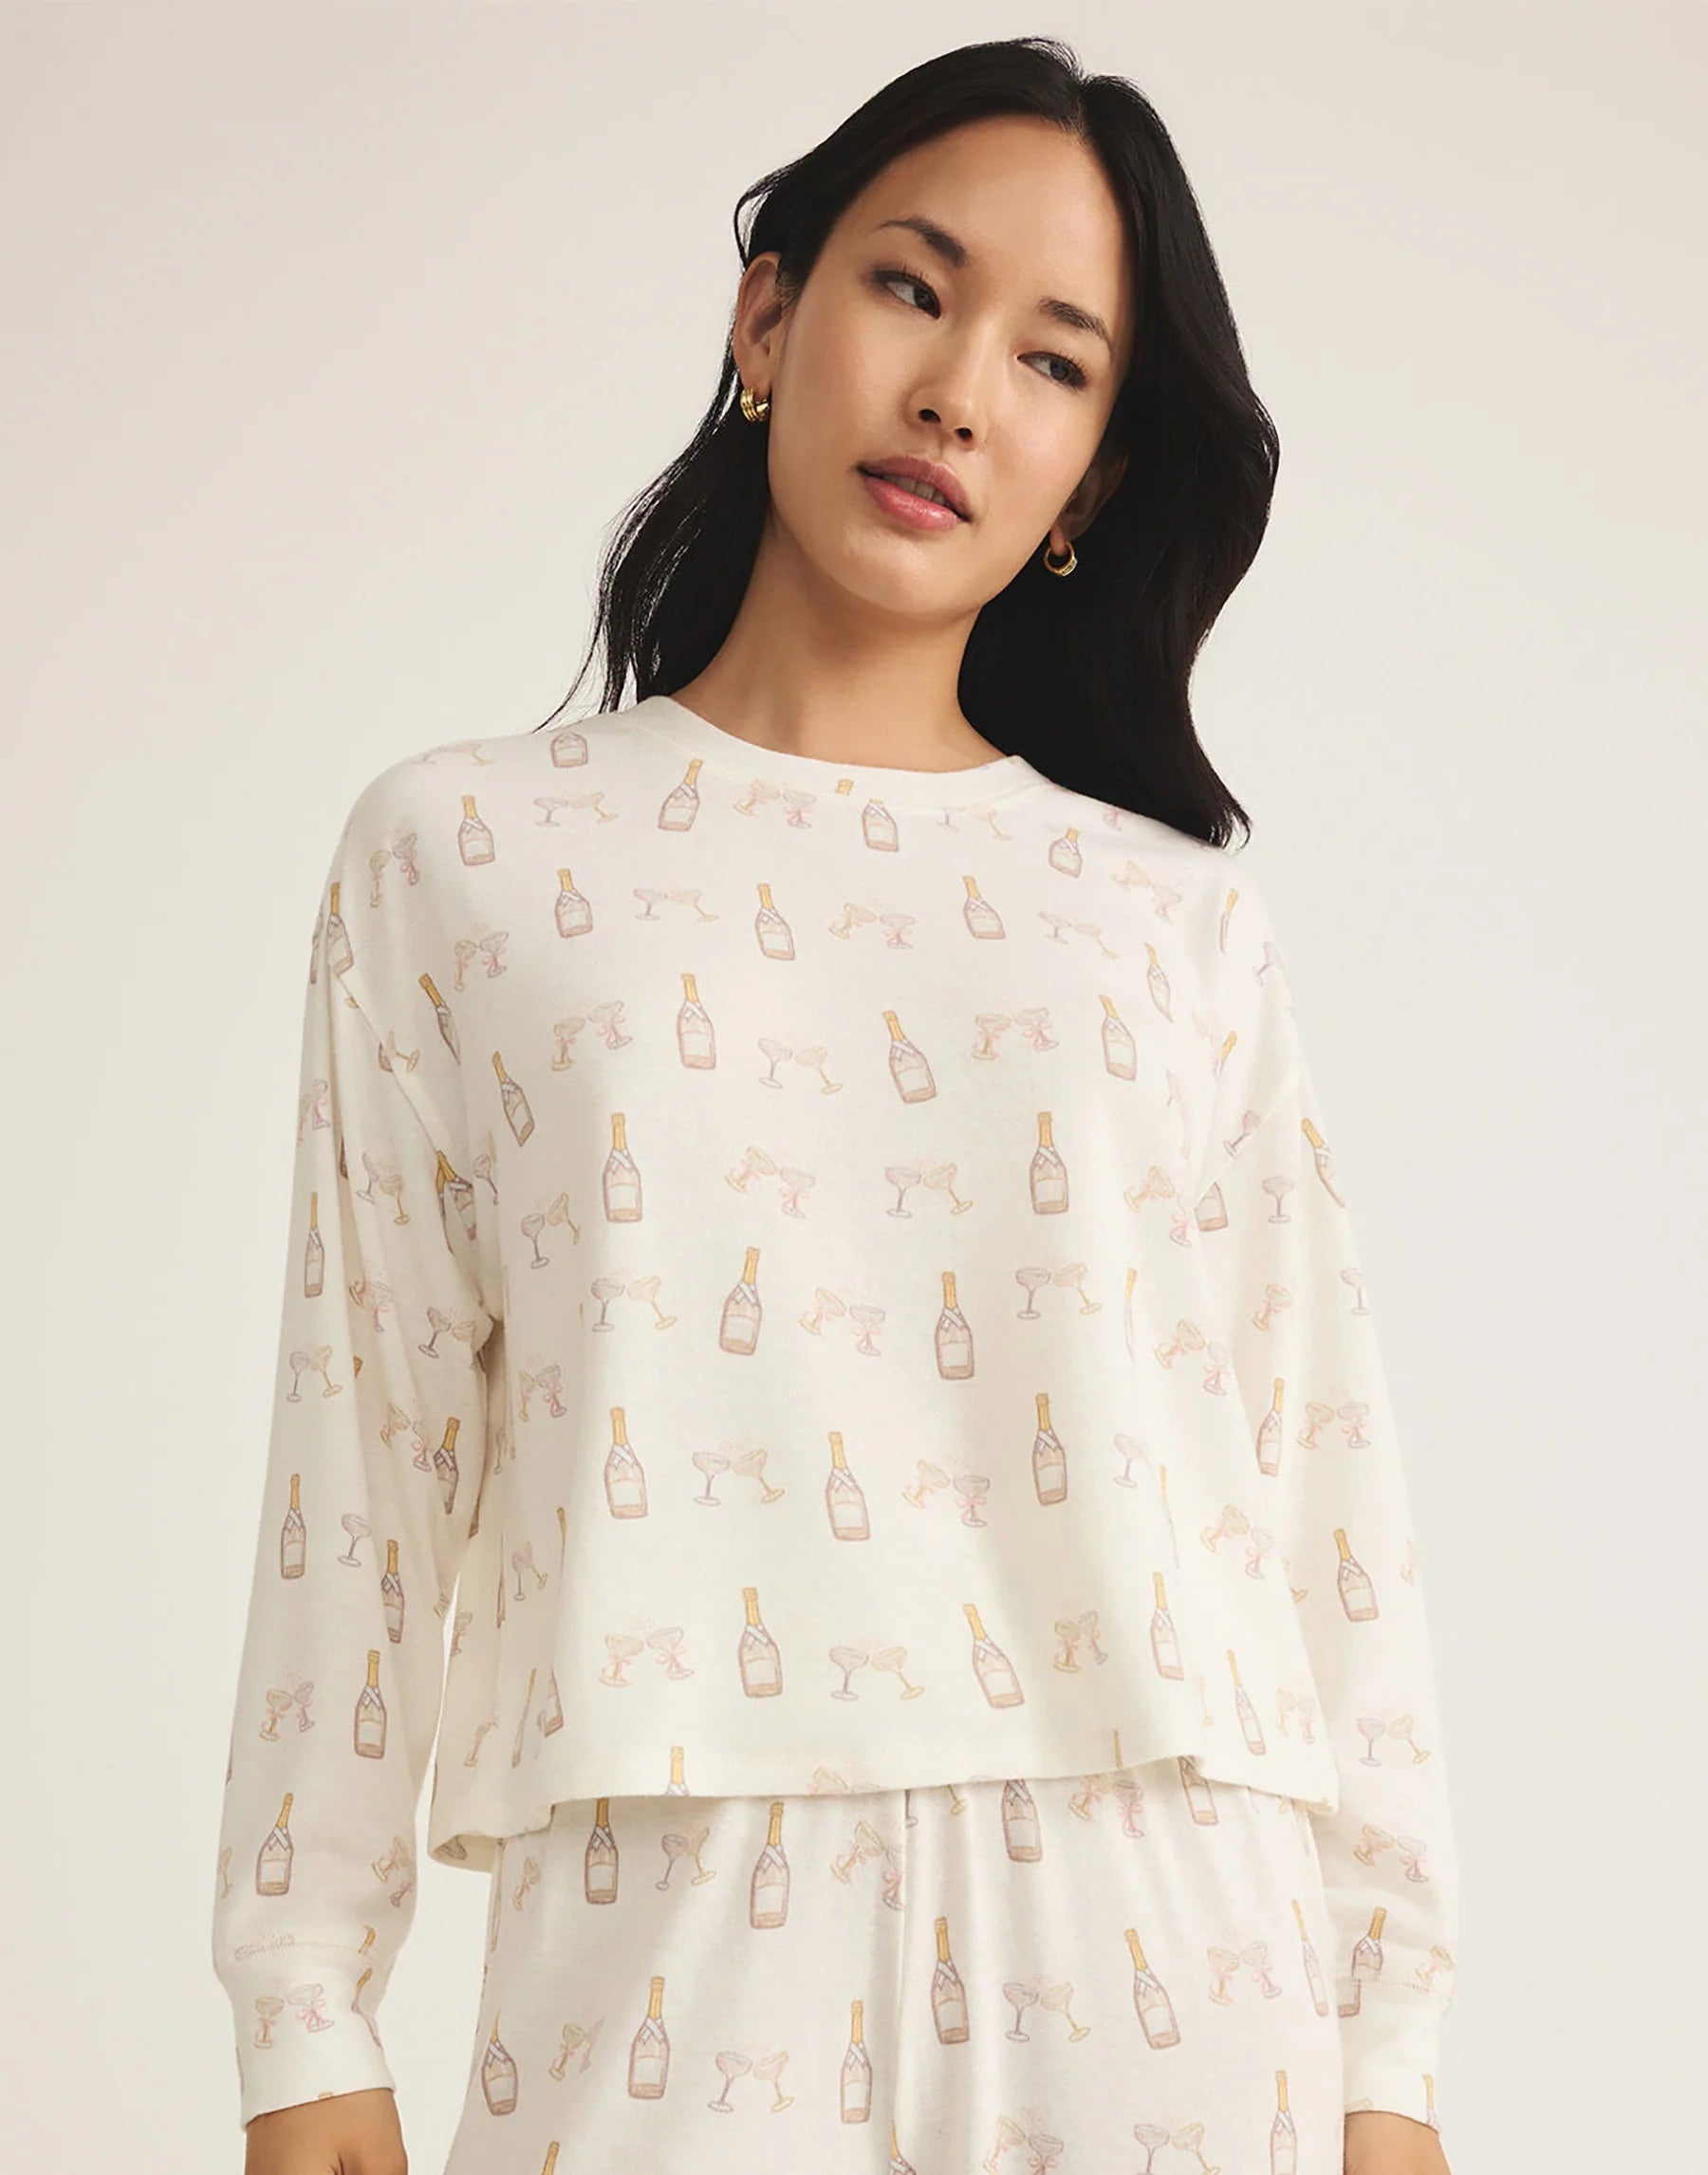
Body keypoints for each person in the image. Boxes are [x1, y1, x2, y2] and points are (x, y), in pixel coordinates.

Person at [211, 35, 1461, 2175]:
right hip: (668, 1902)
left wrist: (1387, 2051)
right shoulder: (466, 855)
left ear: (1093, 484)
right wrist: (301, 1992)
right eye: (913, 288)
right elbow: (369, 1426)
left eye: (1055, 362)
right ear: (769, 319)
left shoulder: (1170, 920)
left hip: (1166, 1927)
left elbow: (1313, 1463)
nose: (962, 392)